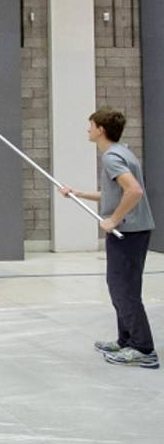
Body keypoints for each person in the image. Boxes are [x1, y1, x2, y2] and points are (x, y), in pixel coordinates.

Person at [59, 107, 158, 369]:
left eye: (90, 125)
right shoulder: (121, 152)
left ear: (100, 129)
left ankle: (143, 348)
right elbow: (116, 194)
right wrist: (78, 193)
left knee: (124, 290)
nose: (87, 129)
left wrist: (114, 219)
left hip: (128, 232)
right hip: (133, 231)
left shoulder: (112, 157)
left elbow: (133, 191)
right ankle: (126, 340)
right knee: (120, 288)